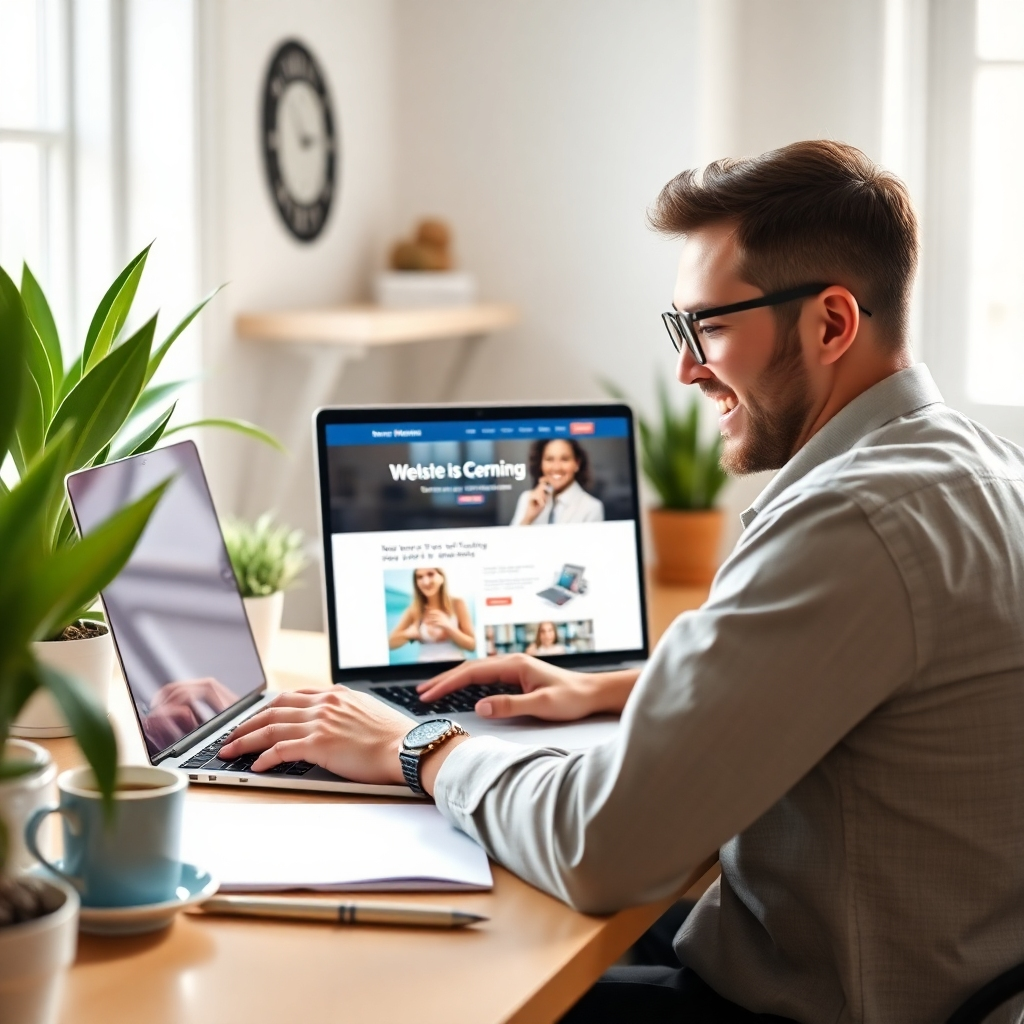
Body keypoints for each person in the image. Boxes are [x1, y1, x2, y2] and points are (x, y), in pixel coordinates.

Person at [218, 141, 1024, 1023]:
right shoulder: (984, 467)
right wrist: (614, 691)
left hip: (811, 1003)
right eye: (679, 329)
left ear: (832, 324)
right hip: (912, 974)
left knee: (416, 989)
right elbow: (885, 685)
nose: (686, 368)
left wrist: (413, 748)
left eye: (708, 326)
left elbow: (605, 848)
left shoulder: (850, 521)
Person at [388, 566, 476, 663]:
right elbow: (390, 644)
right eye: (419, 577)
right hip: (425, 671)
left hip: (455, 669)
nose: (426, 581)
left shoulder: (457, 603)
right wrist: (408, 634)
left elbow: (472, 646)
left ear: (442, 577)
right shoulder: (414, 610)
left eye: (430, 574)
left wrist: (449, 627)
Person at [511, 438, 604, 525]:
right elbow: (509, 542)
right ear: (541, 464)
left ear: (577, 464)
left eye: (564, 459)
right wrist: (528, 518)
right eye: (549, 459)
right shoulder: (528, 499)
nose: (556, 467)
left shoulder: (592, 508)